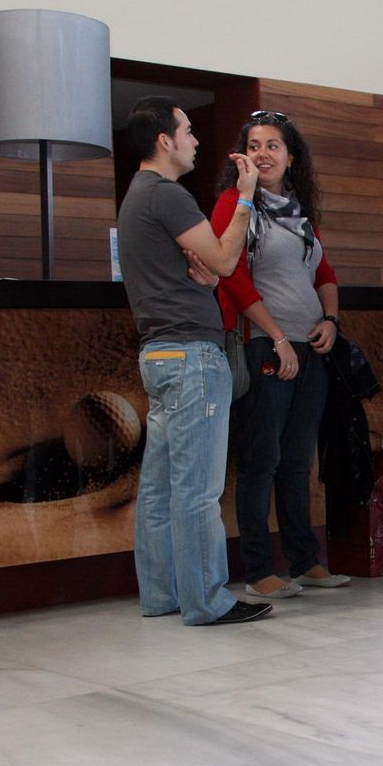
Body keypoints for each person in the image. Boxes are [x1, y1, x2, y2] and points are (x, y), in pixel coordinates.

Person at [116, 96, 270, 624]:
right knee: (198, 489)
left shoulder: (138, 196)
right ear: (165, 140)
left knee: (159, 488)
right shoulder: (168, 195)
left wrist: (202, 278)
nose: (196, 140)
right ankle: (207, 600)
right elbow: (225, 260)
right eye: (187, 130)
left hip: (158, 354)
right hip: (191, 357)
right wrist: (245, 197)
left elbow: (201, 271)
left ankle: (162, 595)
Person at [211, 111, 350, 603]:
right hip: (264, 345)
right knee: (260, 460)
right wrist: (277, 337)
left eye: (273, 145)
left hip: (309, 348)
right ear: (242, 155)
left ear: (292, 157)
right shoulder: (235, 203)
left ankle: (305, 560)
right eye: (254, 144)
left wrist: (330, 321)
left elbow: (325, 271)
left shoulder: (297, 210)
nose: (263, 153)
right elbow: (231, 275)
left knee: (296, 460)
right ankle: (257, 569)